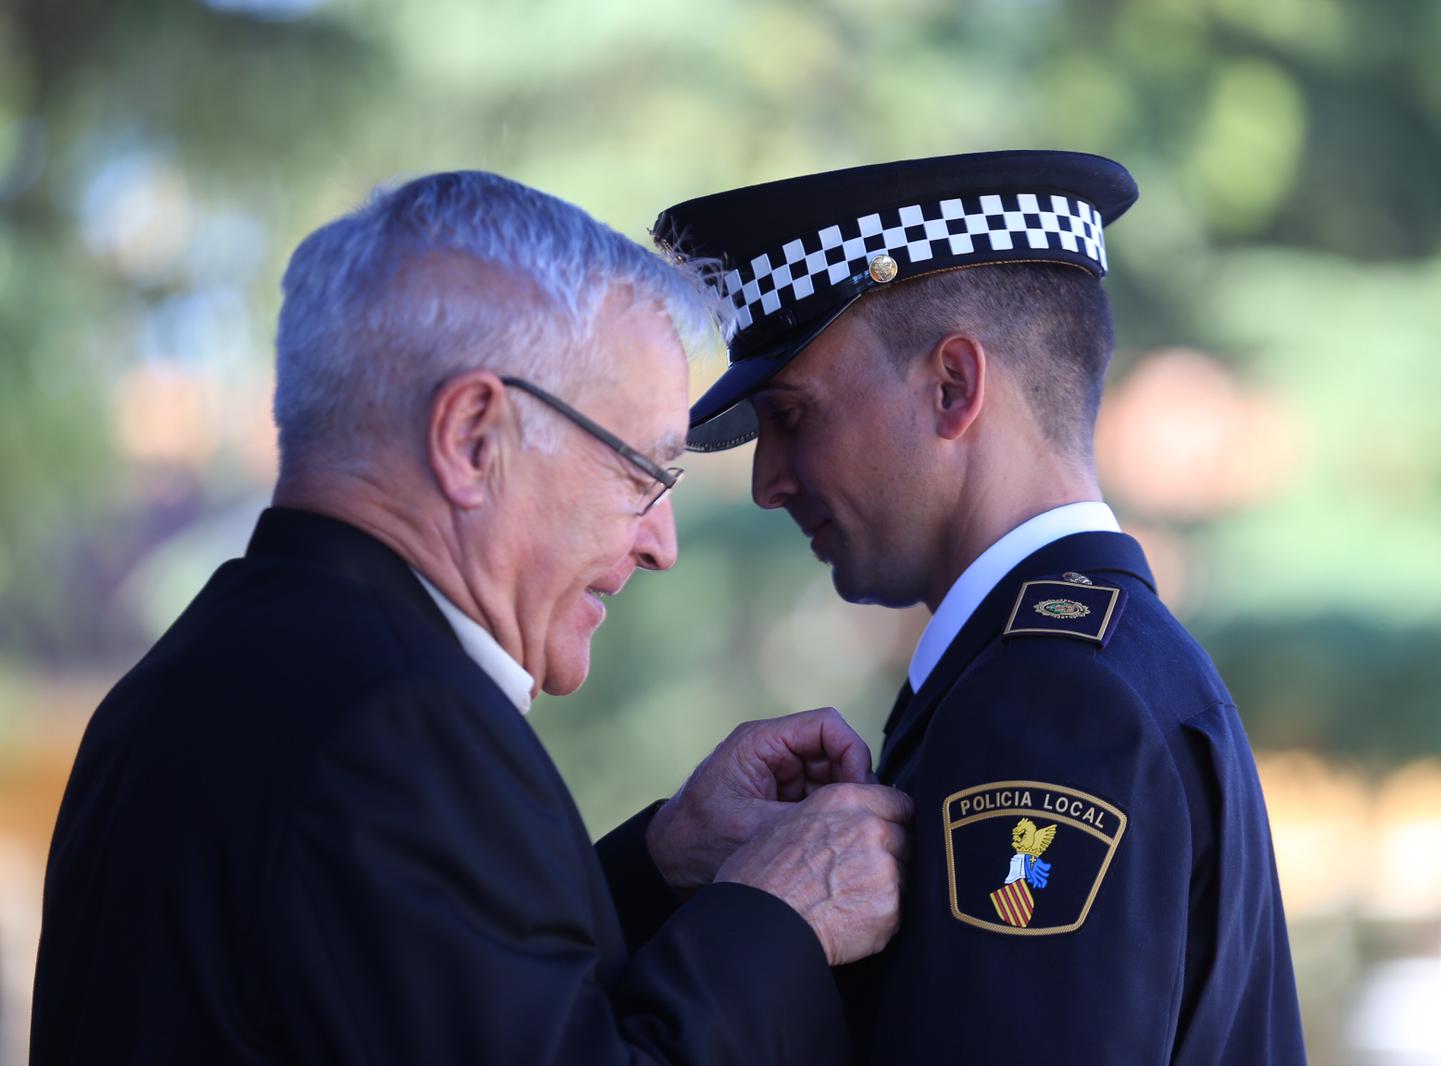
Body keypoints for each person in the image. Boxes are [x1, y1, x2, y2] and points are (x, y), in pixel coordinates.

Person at [31, 171, 913, 1065]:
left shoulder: (195, 678)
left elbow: (423, 998)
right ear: (472, 440)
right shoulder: (398, 727)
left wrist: (659, 864)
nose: (661, 544)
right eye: (642, 472)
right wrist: (781, 919)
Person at [654, 150, 1306, 1064]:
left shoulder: (1051, 704)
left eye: (792, 415)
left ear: (953, 387)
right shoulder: (1100, 666)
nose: (768, 481)